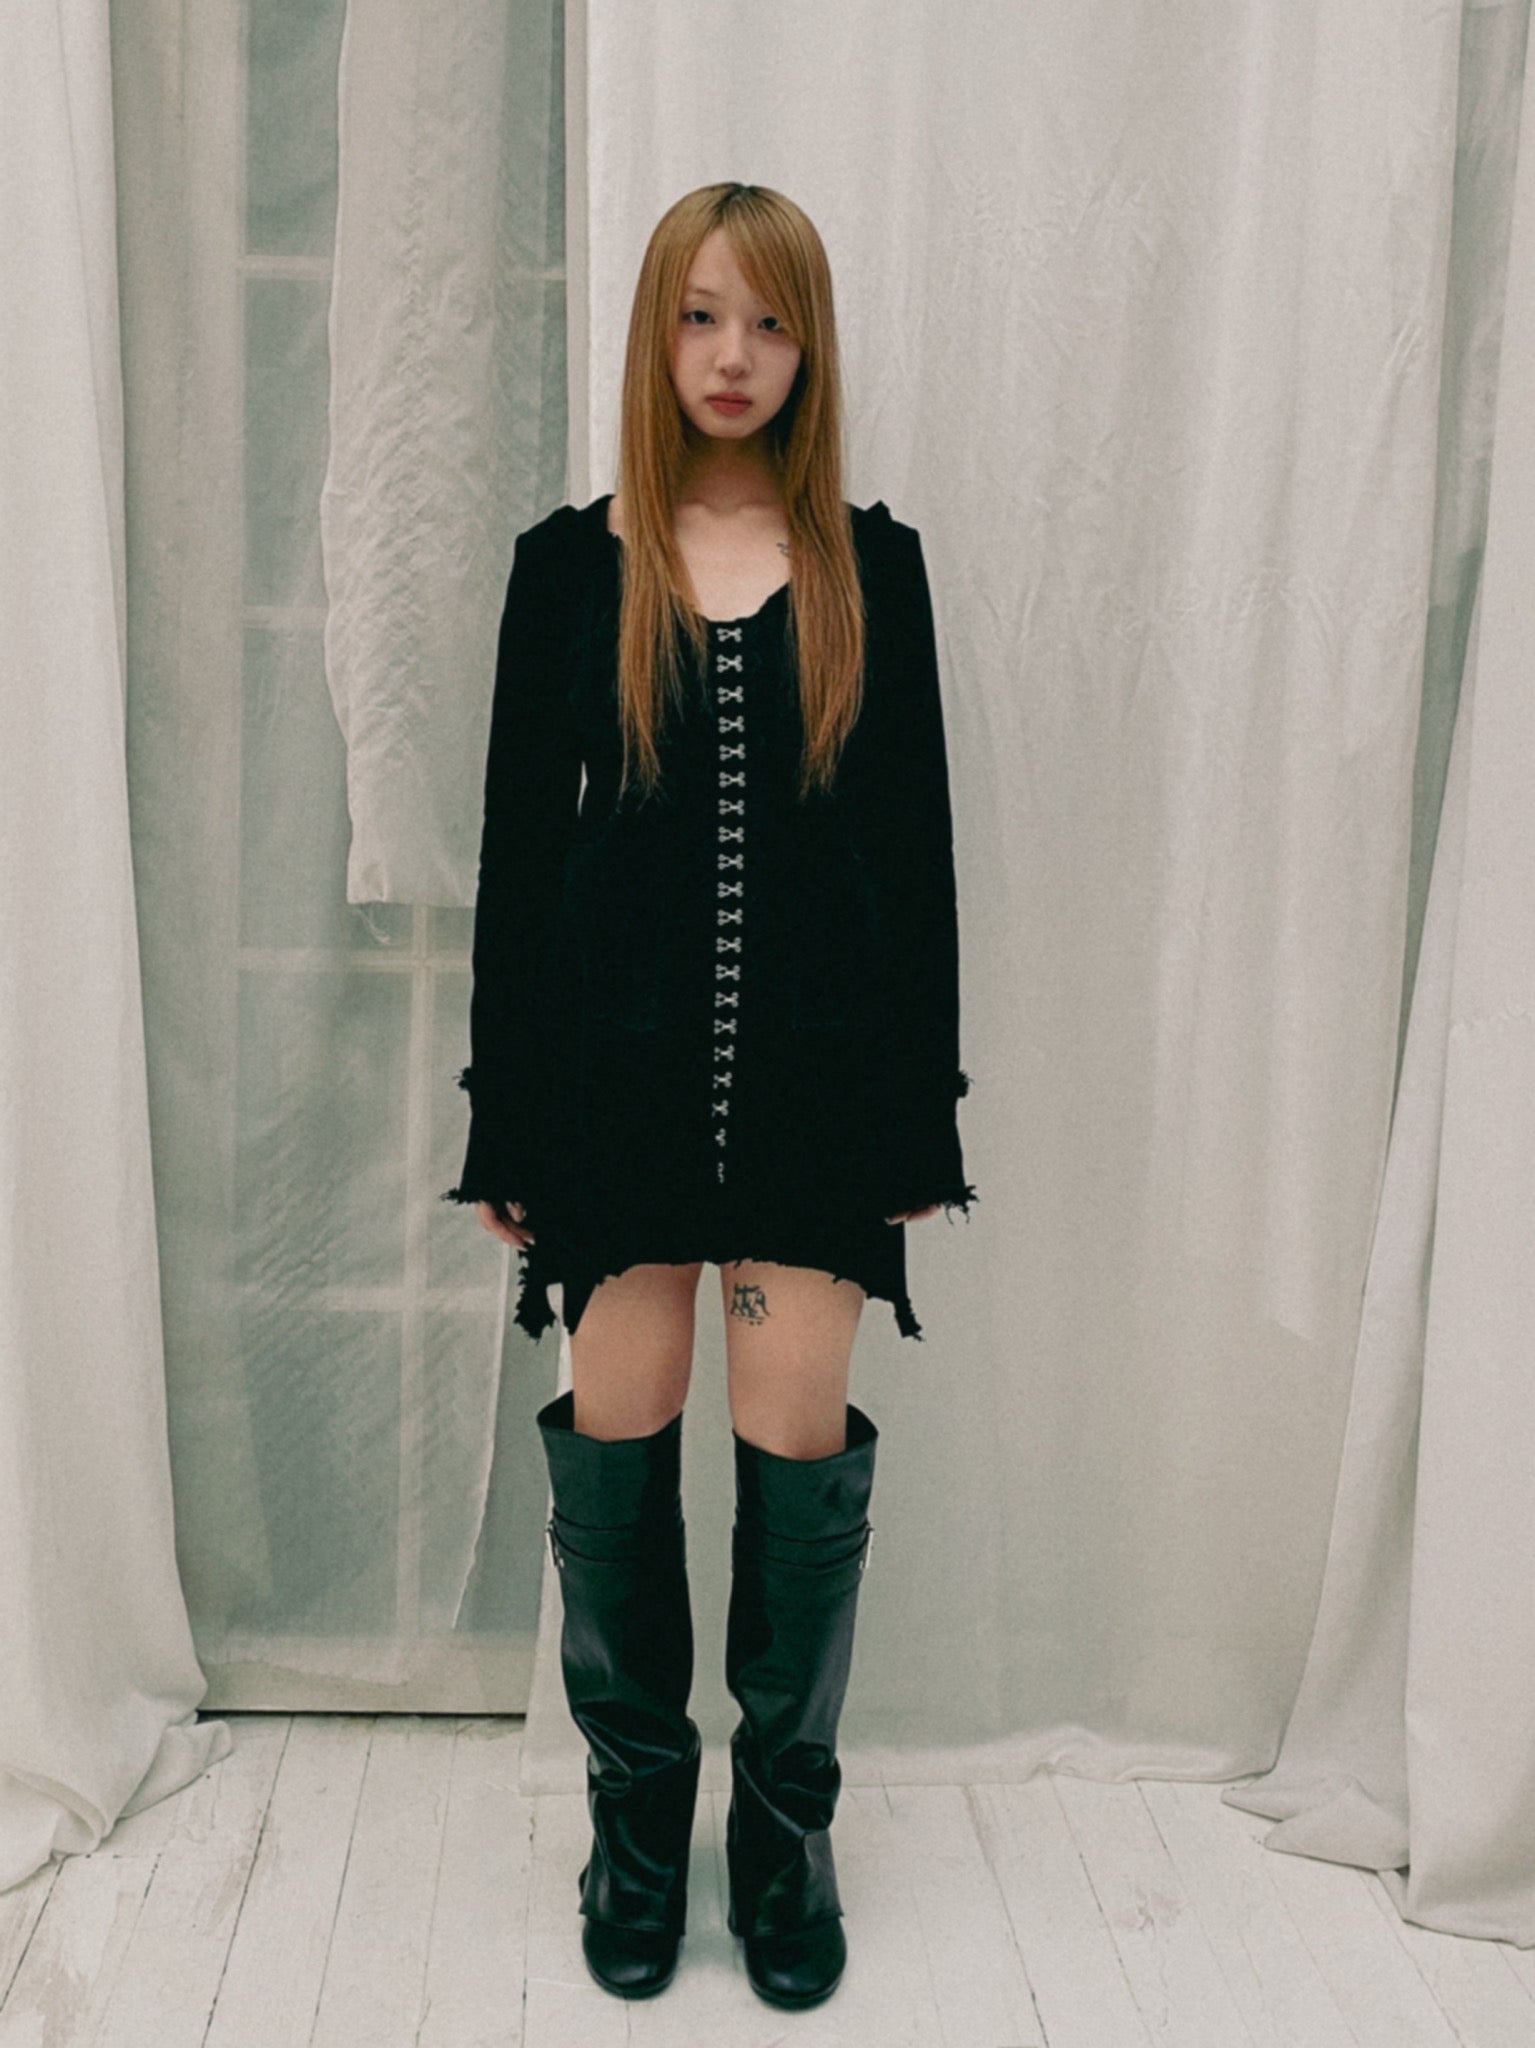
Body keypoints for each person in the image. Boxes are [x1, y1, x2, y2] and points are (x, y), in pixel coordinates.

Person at [442, 181, 975, 2011]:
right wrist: (504, 1116)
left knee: (796, 1453)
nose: (732, 355)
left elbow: (916, 857)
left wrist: (923, 1112)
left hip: (819, 1100)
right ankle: (639, 1835)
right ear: (655, 333)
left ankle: (786, 1835)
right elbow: (521, 865)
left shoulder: (872, 570)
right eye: (699, 315)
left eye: (767, 321)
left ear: (807, 347)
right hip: (613, 1097)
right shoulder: (567, 566)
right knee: (617, 1451)